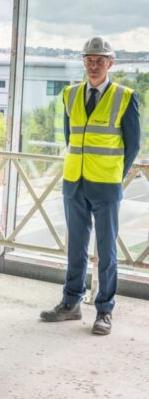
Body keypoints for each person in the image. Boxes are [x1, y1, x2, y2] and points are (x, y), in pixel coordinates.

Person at [40, 36, 140, 335]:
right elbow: (70, 137)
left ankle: (104, 310)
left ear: (111, 63)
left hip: (106, 184)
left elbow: (133, 145)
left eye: (99, 61)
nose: (93, 65)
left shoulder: (125, 96)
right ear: (84, 62)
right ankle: (71, 303)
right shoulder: (69, 94)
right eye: (89, 60)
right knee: (76, 248)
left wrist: (114, 174)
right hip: (75, 182)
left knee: (106, 251)